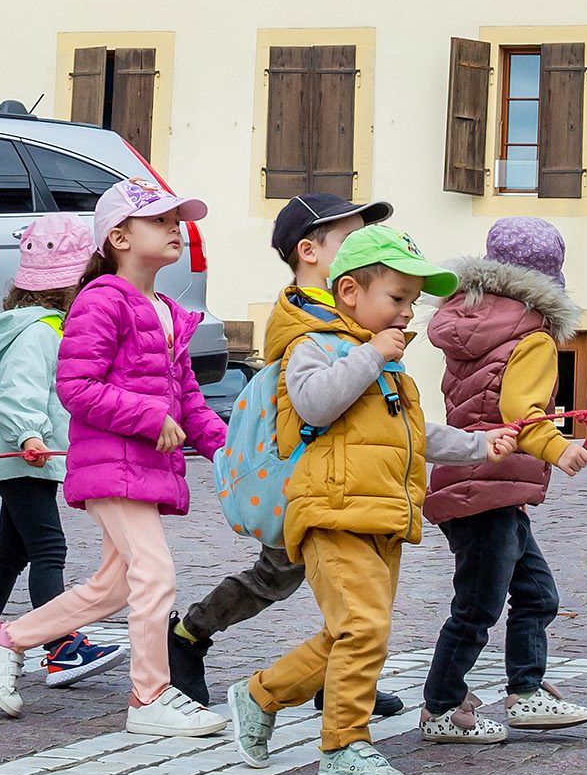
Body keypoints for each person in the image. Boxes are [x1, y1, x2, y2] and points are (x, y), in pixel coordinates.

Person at [226, 225, 517, 775]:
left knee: (355, 631)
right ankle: (343, 745)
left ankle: (262, 694)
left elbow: (413, 433)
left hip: (381, 515)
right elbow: (313, 406)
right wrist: (368, 355)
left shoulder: (385, 363)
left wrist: (481, 445)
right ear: (352, 292)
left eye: (412, 301)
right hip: (330, 512)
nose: (408, 313)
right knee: (363, 627)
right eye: (397, 298)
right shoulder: (312, 346)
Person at [0, 181, 232, 738]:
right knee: (156, 574)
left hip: (144, 468)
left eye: (176, 221)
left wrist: (225, 450)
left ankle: (1, 639)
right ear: (118, 237)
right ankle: (149, 695)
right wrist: (147, 417)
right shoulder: (100, 299)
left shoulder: (167, 312)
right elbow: (76, 386)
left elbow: (189, 398)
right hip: (111, 461)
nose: (174, 229)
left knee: (115, 586)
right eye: (160, 221)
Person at [166, 192, 407, 721]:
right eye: (350, 240)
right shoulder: (306, 319)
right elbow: (316, 399)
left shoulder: (351, 308)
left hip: (344, 473)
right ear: (310, 252)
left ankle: (333, 676)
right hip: (308, 473)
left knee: (333, 577)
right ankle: (188, 634)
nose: (364, 249)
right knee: (280, 575)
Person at [420, 217, 587, 743]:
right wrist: (558, 447)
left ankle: (525, 691)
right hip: (491, 485)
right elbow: (519, 411)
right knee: (477, 607)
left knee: (537, 592)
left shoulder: (468, 325)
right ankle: (442, 707)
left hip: (475, 480)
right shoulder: (534, 337)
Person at [0, 213, 122, 685]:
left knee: (12, 552)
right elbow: (16, 394)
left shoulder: (45, 328)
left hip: (28, 457)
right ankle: (61, 645)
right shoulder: (38, 333)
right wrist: (31, 436)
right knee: (50, 548)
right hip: (23, 456)